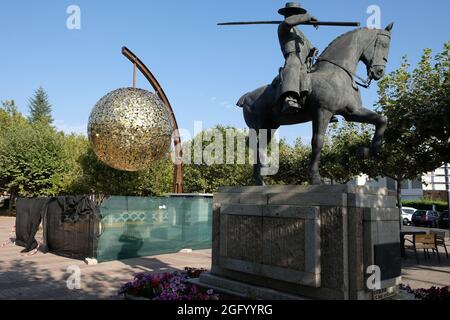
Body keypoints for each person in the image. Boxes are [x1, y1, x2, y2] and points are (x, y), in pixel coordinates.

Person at [277, 2, 318, 114]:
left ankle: (321, 105)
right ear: (287, 14)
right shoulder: (283, 26)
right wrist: (308, 17)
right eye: (293, 13)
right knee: (294, 64)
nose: (294, 15)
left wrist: (313, 50)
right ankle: (289, 98)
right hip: (293, 57)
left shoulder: (300, 33)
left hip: (305, 61)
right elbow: (288, 22)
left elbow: (309, 47)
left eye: (296, 13)